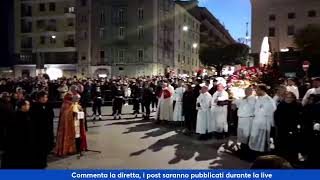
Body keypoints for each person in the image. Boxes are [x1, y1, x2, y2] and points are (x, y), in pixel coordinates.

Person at [1, 100, 33, 169]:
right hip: (18, 142)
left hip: (19, 142)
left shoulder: (25, 114)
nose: (29, 106)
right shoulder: (17, 116)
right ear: (22, 106)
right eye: (28, 104)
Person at [274, 91, 302, 163]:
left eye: (290, 97)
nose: (288, 99)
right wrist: (278, 125)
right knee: (281, 145)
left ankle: (292, 161)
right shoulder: (281, 105)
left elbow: (300, 117)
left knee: (292, 145)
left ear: (293, 98)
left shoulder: (297, 105)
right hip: (282, 129)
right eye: (287, 97)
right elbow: (276, 116)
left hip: (293, 128)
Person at [249, 84, 276, 156]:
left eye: (257, 90)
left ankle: (261, 155)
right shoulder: (258, 98)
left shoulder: (269, 100)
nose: (256, 91)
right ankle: (253, 153)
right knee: (254, 140)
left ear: (262, 90)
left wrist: (271, 125)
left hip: (264, 123)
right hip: (256, 122)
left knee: (262, 141)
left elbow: (272, 113)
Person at [29, 91, 54, 168]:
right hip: (38, 130)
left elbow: (51, 115)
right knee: (39, 148)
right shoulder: (34, 106)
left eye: (46, 97)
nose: (45, 99)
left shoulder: (48, 105)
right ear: (38, 98)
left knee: (46, 147)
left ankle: (43, 162)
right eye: (43, 97)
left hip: (48, 129)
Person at [232, 87, 256, 158]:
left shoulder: (253, 99)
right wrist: (233, 104)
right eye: (245, 91)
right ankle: (242, 150)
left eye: (248, 91)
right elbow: (235, 101)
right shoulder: (243, 98)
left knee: (246, 136)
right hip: (241, 119)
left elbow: (251, 107)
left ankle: (247, 152)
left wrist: (245, 100)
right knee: (241, 136)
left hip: (248, 119)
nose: (246, 92)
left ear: (251, 92)